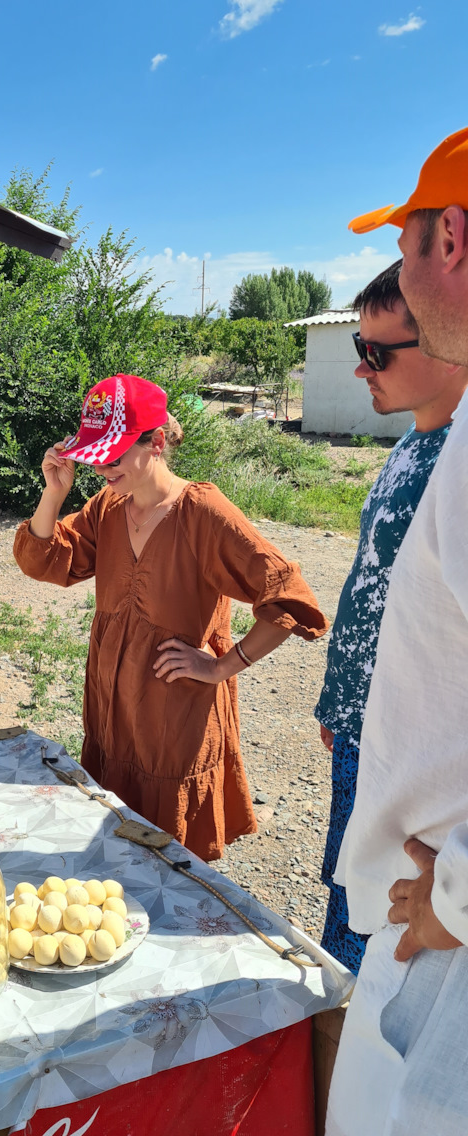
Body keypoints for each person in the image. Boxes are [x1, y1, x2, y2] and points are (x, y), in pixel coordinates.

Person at [13, 373, 328, 860]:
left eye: (113, 456)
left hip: (174, 728)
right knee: (114, 857)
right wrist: (53, 494)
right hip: (113, 720)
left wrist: (224, 665)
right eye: (95, 456)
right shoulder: (107, 507)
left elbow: (287, 595)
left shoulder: (202, 512)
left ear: (156, 442)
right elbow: (43, 559)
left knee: (172, 866)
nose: (102, 470)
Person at [326, 126, 468, 1135]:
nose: (366, 364)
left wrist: (459, 889)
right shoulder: (431, 446)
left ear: (448, 241)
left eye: (378, 348)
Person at [313, 262, 466, 974]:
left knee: (383, 921)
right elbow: (369, 585)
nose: (361, 370)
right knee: (347, 888)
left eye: (377, 353)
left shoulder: (458, 463)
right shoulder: (411, 443)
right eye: (357, 350)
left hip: (415, 749)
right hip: (362, 726)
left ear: (443, 339)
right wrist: (338, 696)